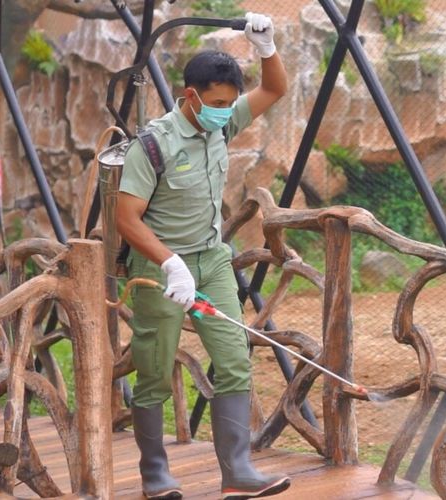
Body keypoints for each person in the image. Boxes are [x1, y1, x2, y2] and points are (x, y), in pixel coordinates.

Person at [116, 12, 289, 500]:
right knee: (155, 368)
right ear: (190, 96)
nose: (224, 111)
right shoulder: (154, 144)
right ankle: (155, 475)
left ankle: (238, 470)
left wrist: (267, 47)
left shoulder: (222, 122)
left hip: (212, 260)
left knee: (235, 359)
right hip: (158, 266)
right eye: (215, 103)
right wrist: (169, 263)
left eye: (229, 104)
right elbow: (126, 219)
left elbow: (274, 89)